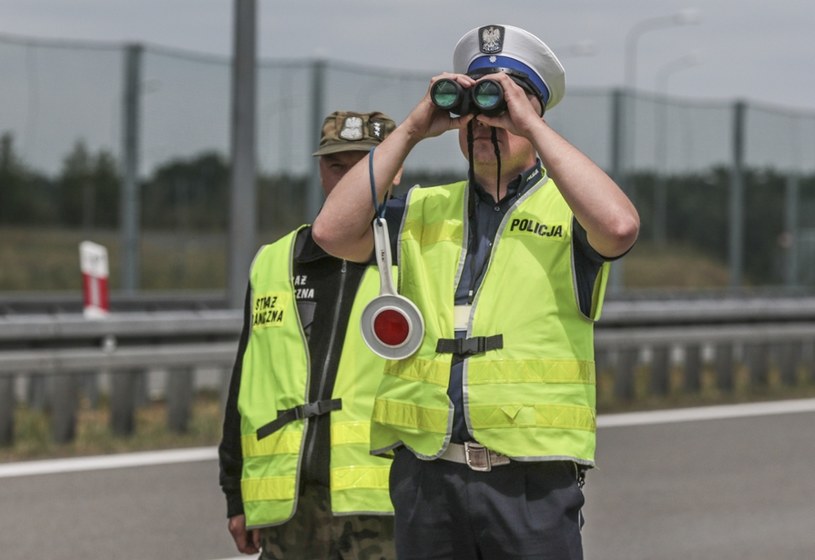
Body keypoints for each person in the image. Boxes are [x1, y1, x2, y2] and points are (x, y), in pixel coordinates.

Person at [312, 24, 640, 560]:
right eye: (479, 102)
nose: (487, 120)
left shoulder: (567, 210)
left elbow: (620, 226)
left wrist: (528, 125)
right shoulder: (422, 207)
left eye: (505, 101)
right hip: (427, 478)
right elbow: (331, 232)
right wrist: (415, 128)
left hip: (530, 484)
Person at [218, 110, 402, 560]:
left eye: (363, 167)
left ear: (394, 173)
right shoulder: (276, 260)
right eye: (335, 166)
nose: (346, 180)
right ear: (320, 170)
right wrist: (235, 493)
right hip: (289, 506)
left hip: (384, 504)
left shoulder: (415, 258)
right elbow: (247, 379)